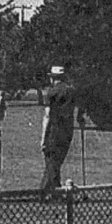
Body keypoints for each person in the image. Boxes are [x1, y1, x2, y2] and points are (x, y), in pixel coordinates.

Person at [40, 65, 84, 199]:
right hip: (67, 130)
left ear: (52, 78)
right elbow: (81, 105)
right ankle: (54, 191)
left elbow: (47, 116)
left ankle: (45, 192)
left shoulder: (51, 92)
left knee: (51, 161)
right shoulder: (72, 91)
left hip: (54, 130)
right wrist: (80, 118)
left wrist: (43, 137)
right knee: (56, 161)